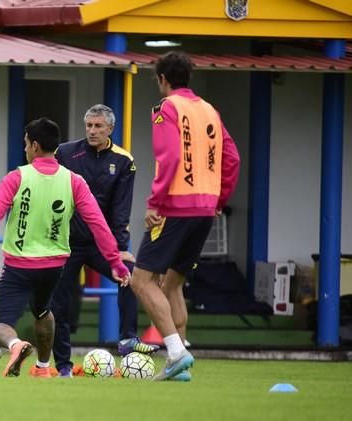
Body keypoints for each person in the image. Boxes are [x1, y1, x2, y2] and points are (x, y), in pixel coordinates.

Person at [0, 118, 130, 378]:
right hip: (55, 267)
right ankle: (43, 367)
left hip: (19, 267)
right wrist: (116, 262)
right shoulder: (73, 181)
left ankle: (15, 345)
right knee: (43, 310)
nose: (25, 149)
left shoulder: (17, 177)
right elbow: (98, 224)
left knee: (0, 324)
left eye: (26, 144)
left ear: (34, 145)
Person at [129, 51, 240, 381]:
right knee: (173, 283)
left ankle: (177, 353)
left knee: (142, 280)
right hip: (205, 210)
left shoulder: (166, 108)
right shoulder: (209, 110)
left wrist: (154, 203)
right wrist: (218, 200)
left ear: (162, 79)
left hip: (175, 208)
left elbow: (171, 157)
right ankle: (179, 366)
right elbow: (232, 159)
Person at [51, 104, 155, 378]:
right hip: (66, 244)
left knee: (129, 277)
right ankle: (62, 365)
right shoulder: (65, 153)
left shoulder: (123, 161)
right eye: (89, 126)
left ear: (111, 128)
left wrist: (121, 248)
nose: (92, 131)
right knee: (59, 304)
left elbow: (121, 209)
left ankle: (127, 338)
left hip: (101, 245)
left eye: (98, 126)